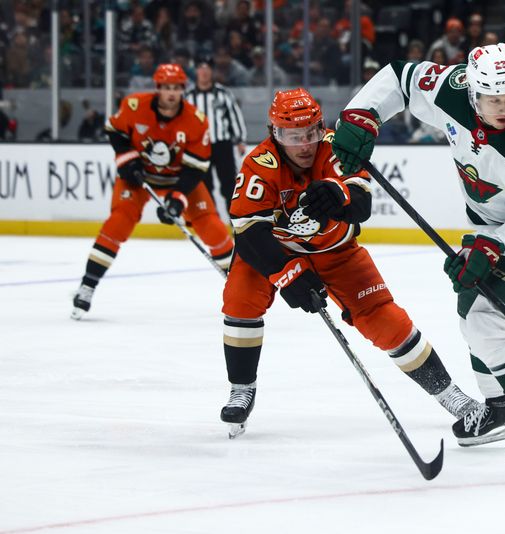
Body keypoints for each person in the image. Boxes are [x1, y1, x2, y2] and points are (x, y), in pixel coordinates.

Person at [330, 44, 505, 474]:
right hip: (491, 230)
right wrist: (362, 115)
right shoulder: (452, 88)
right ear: (472, 94)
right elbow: (400, 78)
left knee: (490, 324)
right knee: (470, 310)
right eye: (494, 100)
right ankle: (502, 407)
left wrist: (489, 248)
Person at [219, 88, 479, 438]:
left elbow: (361, 204)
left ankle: (454, 398)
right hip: (277, 251)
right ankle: (242, 389)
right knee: (239, 299)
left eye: (310, 132)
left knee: (385, 319)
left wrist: (340, 197)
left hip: (337, 251)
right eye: (293, 136)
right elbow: (249, 236)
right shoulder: (259, 166)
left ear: (321, 127)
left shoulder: (335, 147)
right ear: (274, 134)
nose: (304, 144)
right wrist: (288, 274)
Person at [71, 64, 234, 320]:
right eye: (166, 88)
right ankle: (87, 285)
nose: (171, 93)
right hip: (138, 178)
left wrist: (177, 200)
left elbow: (196, 168)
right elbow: (114, 131)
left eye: (176, 88)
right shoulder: (135, 106)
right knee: (117, 223)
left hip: (180, 179)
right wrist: (128, 160)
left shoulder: (196, 120)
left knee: (213, 228)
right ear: (158, 88)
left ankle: (238, 285)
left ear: (183, 90)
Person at [185, 55, 247, 212]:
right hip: (199, 146)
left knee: (229, 185)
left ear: (212, 71)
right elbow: (182, 122)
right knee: (205, 186)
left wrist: (240, 139)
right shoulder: (188, 96)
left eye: (207, 68)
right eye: (201, 68)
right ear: (196, 71)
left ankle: (236, 223)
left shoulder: (223, 93)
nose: (204, 72)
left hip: (222, 144)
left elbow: (234, 116)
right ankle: (213, 223)